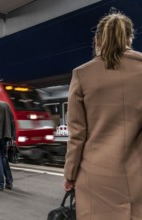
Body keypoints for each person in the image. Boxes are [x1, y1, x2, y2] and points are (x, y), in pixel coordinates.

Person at [63, 12, 142, 220]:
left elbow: (77, 135)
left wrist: (70, 174)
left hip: (95, 176)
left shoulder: (82, 74)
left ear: (97, 39)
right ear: (130, 38)